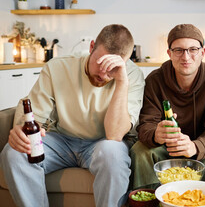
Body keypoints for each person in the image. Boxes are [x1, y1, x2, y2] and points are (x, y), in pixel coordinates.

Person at [1, 24, 145, 207]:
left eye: (112, 68)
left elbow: (115, 135)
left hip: (102, 144)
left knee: (113, 154)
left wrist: (121, 80)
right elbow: (34, 119)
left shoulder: (132, 75)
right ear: (91, 46)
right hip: (61, 140)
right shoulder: (58, 67)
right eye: (100, 62)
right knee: (14, 153)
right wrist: (21, 132)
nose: (103, 73)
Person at [130, 24, 205, 203]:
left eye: (193, 49)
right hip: (164, 151)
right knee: (140, 150)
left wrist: (195, 146)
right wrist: (156, 134)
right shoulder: (155, 80)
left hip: (199, 153)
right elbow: (145, 125)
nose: (186, 57)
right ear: (169, 53)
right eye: (178, 50)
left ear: (202, 52)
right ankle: (150, 204)